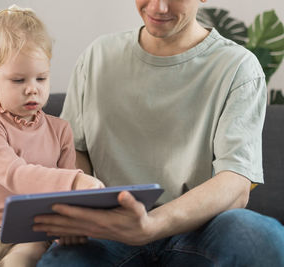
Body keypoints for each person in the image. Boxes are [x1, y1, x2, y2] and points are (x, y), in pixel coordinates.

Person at [34, 0, 284, 266]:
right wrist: (78, 205)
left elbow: (236, 182)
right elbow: (76, 150)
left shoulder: (238, 67)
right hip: (112, 228)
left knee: (259, 238)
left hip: (199, 228)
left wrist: (152, 224)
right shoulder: (98, 56)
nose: (158, 7)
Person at [0, 5, 103, 267]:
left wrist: (73, 221)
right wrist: (77, 182)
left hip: (31, 232)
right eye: (18, 80)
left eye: (41, 78)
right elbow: (16, 175)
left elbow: (64, 200)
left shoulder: (61, 131)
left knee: (21, 263)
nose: (32, 90)